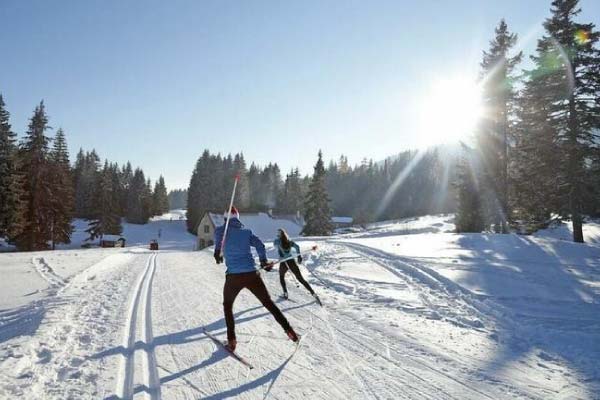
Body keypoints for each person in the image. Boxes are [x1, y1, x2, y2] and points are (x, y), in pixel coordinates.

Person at [214, 206, 298, 351]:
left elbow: (218, 247)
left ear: (225, 219)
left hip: (233, 276)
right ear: (238, 219)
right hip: (252, 274)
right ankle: (290, 331)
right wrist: (263, 261)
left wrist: (217, 255)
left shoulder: (220, 231)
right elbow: (260, 245)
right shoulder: (246, 232)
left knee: (228, 306)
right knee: (268, 303)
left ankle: (232, 340)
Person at [273, 228, 321, 305]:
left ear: (279, 234)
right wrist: (299, 257)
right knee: (300, 279)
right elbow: (297, 247)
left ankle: (285, 293)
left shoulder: (276, 241)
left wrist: (281, 253)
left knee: (281, 277)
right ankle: (313, 294)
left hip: (283, 262)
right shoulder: (289, 242)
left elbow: (276, 247)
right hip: (291, 261)